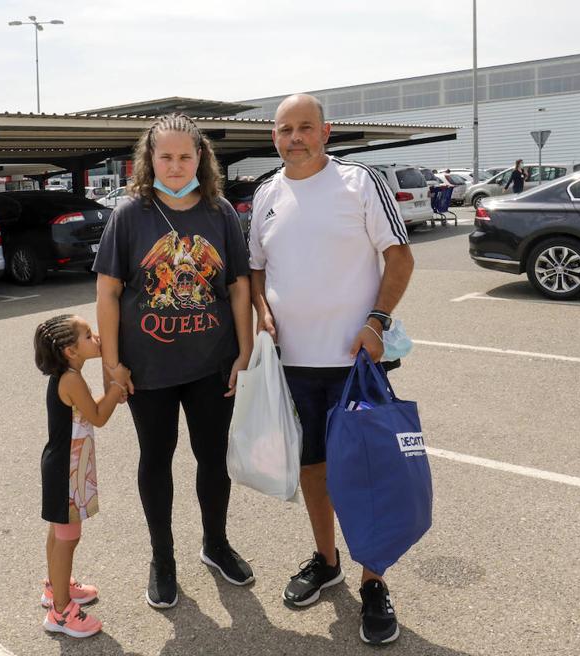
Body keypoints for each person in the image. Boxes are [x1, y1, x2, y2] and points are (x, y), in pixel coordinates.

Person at [248, 94, 414, 645]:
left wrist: (376, 322)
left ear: (326, 132)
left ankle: (374, 581)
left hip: (354, 365)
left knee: (365, 474)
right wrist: (263, 310)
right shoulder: (266, 193)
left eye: (304, 128)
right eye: (283, 129)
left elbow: (400, 256)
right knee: (313, 469)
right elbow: (256, 269)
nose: (293, 137)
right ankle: (327, 559)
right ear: (274, 136)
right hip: (293, 367)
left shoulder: (360, 183)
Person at [93, 113, 255, 610]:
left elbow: (237, 284)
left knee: (213, 459)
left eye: (186, 156)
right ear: (149, 159)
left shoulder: (220, 211)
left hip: (212, 363)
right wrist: (112, 367)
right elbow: (108, 292)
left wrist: (245, 349)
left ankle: (215, 544)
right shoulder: (130, 214)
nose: (177, 165)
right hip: (149, 371)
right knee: (156, 461)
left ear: (201, 158)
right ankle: (163, 559)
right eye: (166, 156)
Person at [34, 314, 126, 638]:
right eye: (88, 335)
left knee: (60, 534)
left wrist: (112, 392)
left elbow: (90, 411)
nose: (97, 337)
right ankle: (60, 613)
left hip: (64, 465)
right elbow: (98, 416)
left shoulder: (69, 374)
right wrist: (117, 387)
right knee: (68, 538)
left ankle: (54, 588)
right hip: (65, 470)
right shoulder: (70, 380)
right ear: (71, 350)